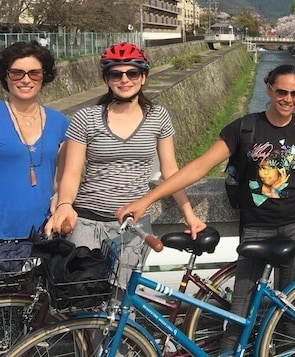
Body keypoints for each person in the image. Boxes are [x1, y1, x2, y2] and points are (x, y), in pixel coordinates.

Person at [118, 63, 295, 352]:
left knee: (289, 311)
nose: (288, 99)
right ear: (269, 89)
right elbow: (198, 167)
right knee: (239, 311)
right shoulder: (245, 128)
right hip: (256, 227)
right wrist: (147, 200)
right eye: (282, 91)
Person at [45, 42, 205, 278]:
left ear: (143, 77)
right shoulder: (86, 118)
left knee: (121, 302)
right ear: (106, 79)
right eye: (115, 74)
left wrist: (189, 214)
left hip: (133, 226)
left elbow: (171, 172)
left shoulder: (158, 117)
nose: (124, 79)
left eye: (132, 72)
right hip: (86, 222)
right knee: (83, 299)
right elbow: (71, 172)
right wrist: (65, 205)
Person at [0, 41, 69, 257]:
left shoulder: (60, 123)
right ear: (5, 76)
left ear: (44, 76)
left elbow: (62, 182)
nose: (25, 80)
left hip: (42, 240)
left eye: (34, 73)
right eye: (16, 73)